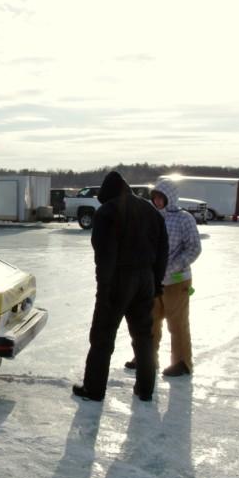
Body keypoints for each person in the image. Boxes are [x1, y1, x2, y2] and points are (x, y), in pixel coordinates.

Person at [72, 171, 168, 402]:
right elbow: (163, 250)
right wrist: (156, 282)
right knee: (144, 336)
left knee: (102, 336)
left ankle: (94, 390)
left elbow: (104, 256)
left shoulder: (107, 212)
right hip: (145, 278)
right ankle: (145, 390)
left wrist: (104, 290)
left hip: (118, 279)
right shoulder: (149, 210)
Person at [126, 179, 202, 376]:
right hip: (152, 280)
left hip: (176, 281)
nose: (157, 201)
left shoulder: (184, 218)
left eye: (161, 198)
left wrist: (171, 267)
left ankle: (182, 362)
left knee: (177, 325)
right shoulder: (150, 217)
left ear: (171, 198)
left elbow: (194, 248)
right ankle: (147, 357)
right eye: (155, 198)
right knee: (150, 322)